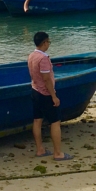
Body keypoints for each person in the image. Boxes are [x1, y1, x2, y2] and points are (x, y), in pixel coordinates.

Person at [27, 31, 72, 160]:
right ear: (44, 43)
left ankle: (40, 149)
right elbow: (46, 79)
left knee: (37, 120)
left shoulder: (31, 56)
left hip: (35, 90)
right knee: (55, 122)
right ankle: (57, 153)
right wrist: (54, 96)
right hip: (45, 93)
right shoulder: (43, 58)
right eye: (48, 42)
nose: (49, 45)